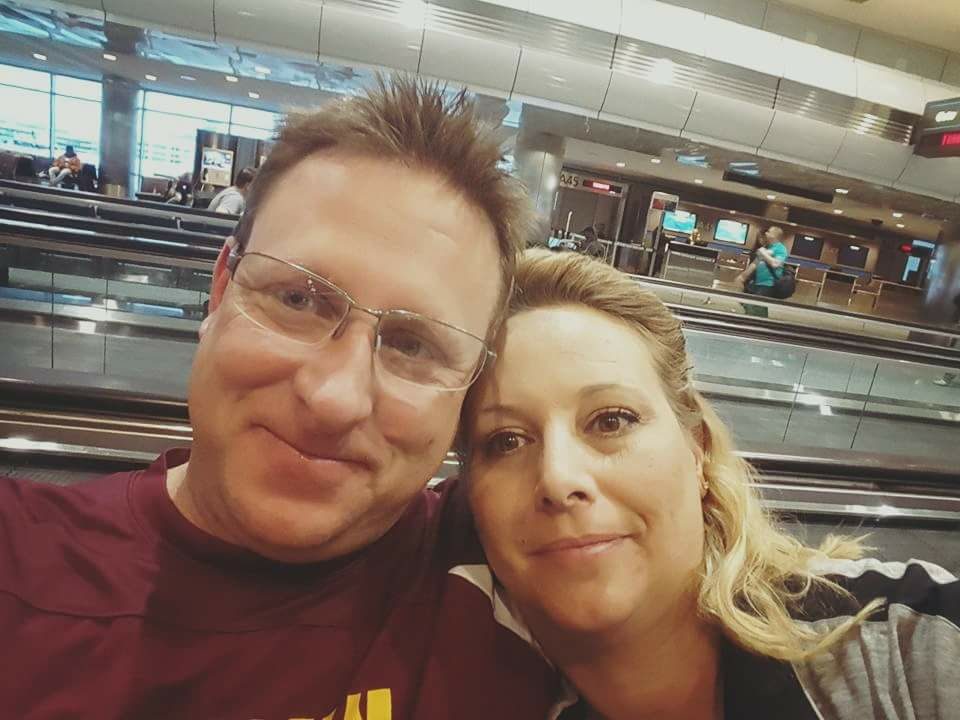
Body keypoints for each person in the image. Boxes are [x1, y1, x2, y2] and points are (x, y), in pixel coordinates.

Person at [0, 77, 558, 718]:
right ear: (220, 290)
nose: (335, 398)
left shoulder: (524, 568)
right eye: (297, 300)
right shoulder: (18, 570)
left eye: (413, 345)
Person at [461, 249, 959, 720]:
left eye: (610, 420)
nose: (558, 477)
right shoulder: (457, 687)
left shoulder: (904, 641)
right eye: (506, 441)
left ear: (696, 449)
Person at [737, 225, 788, 297]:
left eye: (769, 232)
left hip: (769, 284)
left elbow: (775, 264)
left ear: (774, 235)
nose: (766, 233)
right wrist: (743, 276)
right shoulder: (766, 247)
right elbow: (755, 263)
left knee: (757, 306)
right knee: (745, 301)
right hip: (757, 282)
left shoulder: (781, 248)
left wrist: (764, 253)